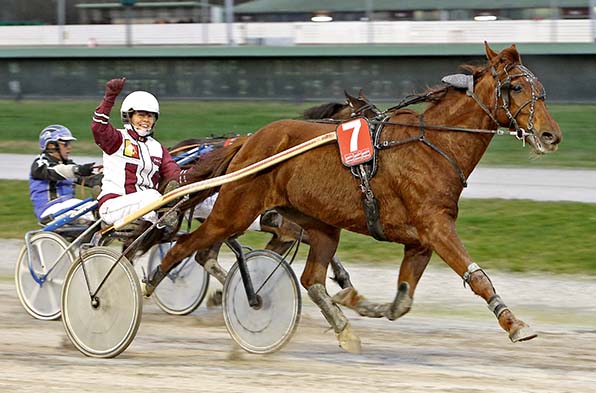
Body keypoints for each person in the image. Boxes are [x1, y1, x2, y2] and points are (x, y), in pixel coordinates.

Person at [91, 77, 181, 232]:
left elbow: (174, 173)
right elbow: (98, 128)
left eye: (150, 116)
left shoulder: (157, 148)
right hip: (114, 206)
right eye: (141, 115)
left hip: (145, 209)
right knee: (151, 196)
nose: (146, 120)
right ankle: (163, 218)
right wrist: (110, 97)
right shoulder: (117, 139)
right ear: (129, 116)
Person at [29, 125, 97, 223]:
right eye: (65, 144)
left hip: (67, 208)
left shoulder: (67, 165)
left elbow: (88, 178)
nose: (69, 147)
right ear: (51, 146)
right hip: (49, 211)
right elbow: (55, 171)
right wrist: (77, 170)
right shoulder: (40, 163)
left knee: (97, 205)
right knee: (84, 207)